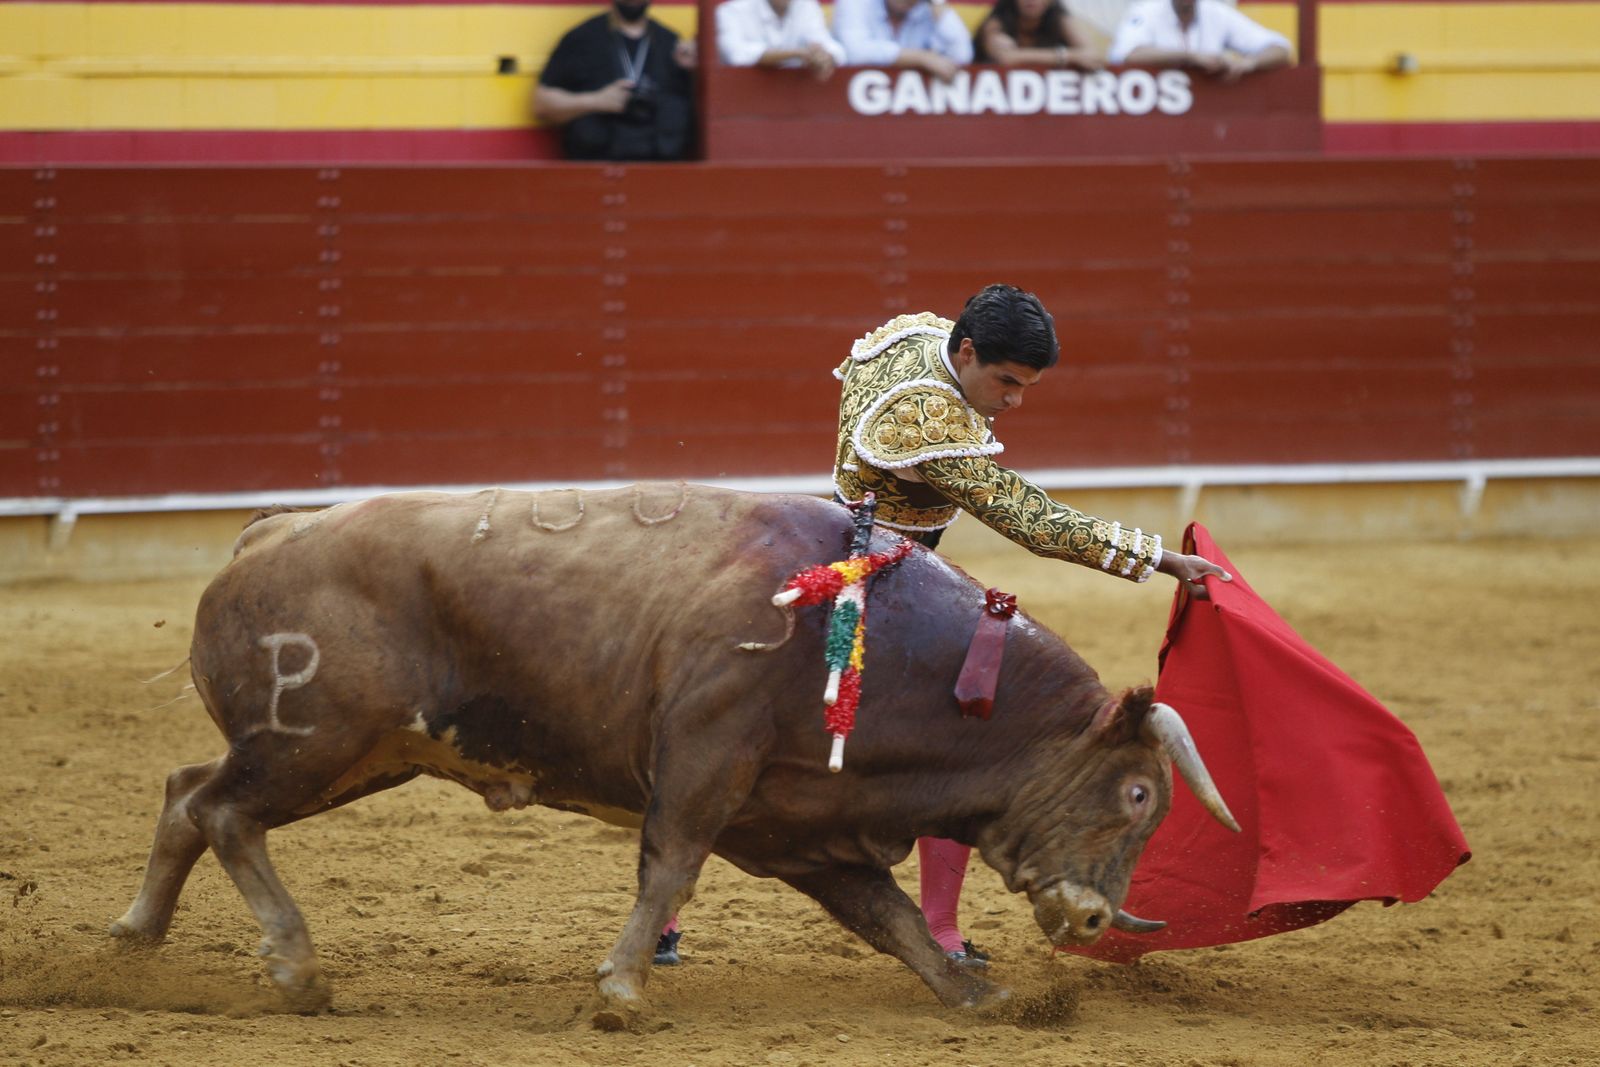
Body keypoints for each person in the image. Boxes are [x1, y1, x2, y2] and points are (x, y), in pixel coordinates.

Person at [831, 284, 1231, 966]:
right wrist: (1158, 557)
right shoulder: (926, 415)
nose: (1014, 400)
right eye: (1007, 381)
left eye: (1026, 386)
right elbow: (1030, 519)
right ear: (965, 350)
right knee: (964, 734)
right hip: (885, 584)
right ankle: (941, 927)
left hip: (863, 551)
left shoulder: (915, 337)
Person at [533, 0, 696, 161]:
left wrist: (695, 70)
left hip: (661, 170)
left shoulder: (670, 44)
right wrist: (596, 101)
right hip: (597, 168)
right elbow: (541, 103)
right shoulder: (582, 39)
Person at [1108, 0, 1291, 80]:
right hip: (1154, 116)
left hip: (1211, 113)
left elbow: (1281, 49)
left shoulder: (1216, 12)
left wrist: (1249, 64)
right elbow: (1127, 55)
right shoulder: (1146, 10)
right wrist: (1191, 57)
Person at [832, 0, 974, 83]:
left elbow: (962, 54)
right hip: (851, 110)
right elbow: (855, 52)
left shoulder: (927, 8)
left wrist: (938, 2)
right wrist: (921, 58)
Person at [717, 0, 847, 81]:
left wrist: (823, 57)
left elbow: (831, 47)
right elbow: (737, 55)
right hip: (743, 101)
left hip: (797, 102)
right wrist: (798, 54)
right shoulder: (732, 11)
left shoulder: (806, 5)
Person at [972, 0, 1105, 69]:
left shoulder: (1059, 18)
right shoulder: (997, 21)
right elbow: (1006, 58)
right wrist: (1067, 56)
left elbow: (1094, 56)